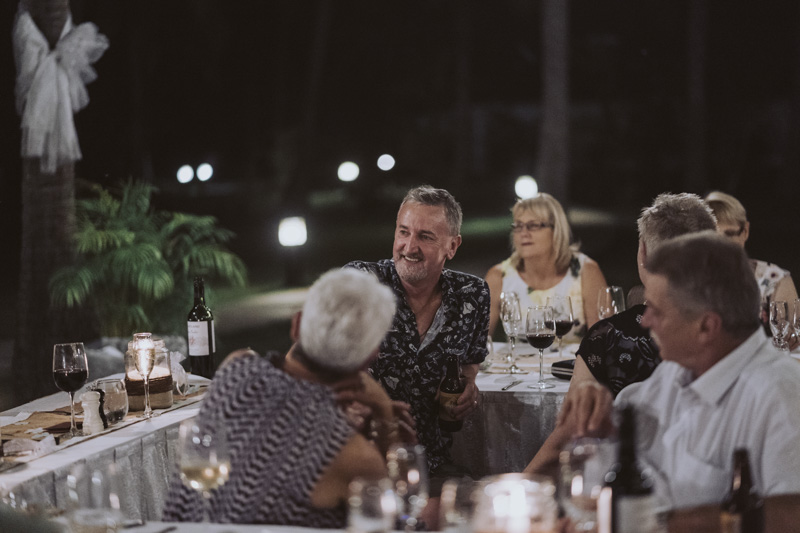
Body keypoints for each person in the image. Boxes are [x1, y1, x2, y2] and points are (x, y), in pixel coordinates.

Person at [567, 232, 800, 514]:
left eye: (656, 310)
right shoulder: (675, 373)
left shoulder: (781, 394)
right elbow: (623, 453)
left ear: (706, 327)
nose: (645, 320)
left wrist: (663, 524)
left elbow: (788, 517)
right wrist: (602, 425)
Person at [162, 268, 400, 527]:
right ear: (369, 357)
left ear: (296, 325)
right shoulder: (352, 454)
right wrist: (386, 419)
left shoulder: (236, 368)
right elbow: (394, 525)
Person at [525, 192, 717, 473]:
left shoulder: (608, 337)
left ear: (642, 254)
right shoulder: (735, 334)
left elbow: (570, 436)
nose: (652, 323)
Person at [345, 185, 489, 491]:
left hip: (432, 463)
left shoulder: (473, 294)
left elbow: (471, 361)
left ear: (452, 246)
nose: (409, 247)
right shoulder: (360, 283)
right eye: (403, 232)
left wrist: (467, 384)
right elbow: (316, 362)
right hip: (359, 461)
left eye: (425, 236)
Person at [485, 194, 607, 342]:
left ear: (556, 230)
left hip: (570, 364)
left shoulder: (586, 271)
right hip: (520, 364)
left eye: (534, 225)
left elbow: (603, 341)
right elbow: (476, 342)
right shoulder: (499, 276)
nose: (524, 233)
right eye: (518, 226)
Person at [704, 190, 799, 334]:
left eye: (729, 234)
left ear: (745, 231)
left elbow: (795, 348)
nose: (721, 245)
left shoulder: (775, 280)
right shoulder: (684, 281)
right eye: (713, 237)